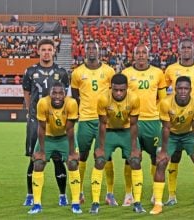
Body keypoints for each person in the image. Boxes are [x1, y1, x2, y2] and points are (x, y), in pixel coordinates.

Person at [150, 76, 194, 215]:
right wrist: (164, 151)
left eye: (186, 88)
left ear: (191, 90)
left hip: (189, 135)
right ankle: (158, 204)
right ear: (175, 89)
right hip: (171, 135)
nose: (183, 91)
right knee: (161, 163)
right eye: (180, 88)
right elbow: (166, 128)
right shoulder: (166, 103)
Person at [22, 38, 70, 207]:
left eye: (49, 49)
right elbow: (27, 92)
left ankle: (62, 195)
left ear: (54, 52)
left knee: (57, 158)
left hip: (55, 121)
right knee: (34, 159)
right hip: (36, 120)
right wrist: (30, 112)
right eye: (43, 50)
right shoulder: (30, 71)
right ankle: (30, 195)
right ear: (38, 51)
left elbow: (65, 94)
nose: (46, 52)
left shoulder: (62, 72)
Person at [89, 74, 146, 214]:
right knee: (100, 160)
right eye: (115, 90)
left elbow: (134, 125)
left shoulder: (134, 98)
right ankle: (95, 203)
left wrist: (134, 148)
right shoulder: (103, 98)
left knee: (135, 161)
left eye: (122, 90)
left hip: (127, 131)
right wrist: (101, 148)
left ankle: (137, 202)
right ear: (111, 88)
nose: (119, 93)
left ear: (127, 87)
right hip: (108, 131)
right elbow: (102, 124)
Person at [164, 38, 194, 205]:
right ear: (179, 50)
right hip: (176, 119)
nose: (186, 50)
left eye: (189, 47)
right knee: (173, 157)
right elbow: (162, 91)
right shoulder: (171, 69)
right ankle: (171, 196)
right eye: (183, 47)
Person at [71, 40, 116, 205]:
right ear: (84, 52)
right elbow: (76, 95)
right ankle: (80, 192)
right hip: (85, 120)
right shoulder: (77, 73)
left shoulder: (109, 71)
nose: (91, 51)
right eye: (88, 48)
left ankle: (110, 193)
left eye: (94, 48)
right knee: (81, 156)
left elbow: (115, 94)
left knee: (107, 157)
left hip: (104, 120)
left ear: (99, 52)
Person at [122, 44, 167, 205]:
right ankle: (129, 194)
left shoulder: (157, 73)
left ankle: (156, 193)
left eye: (143, 53)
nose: (141, 55)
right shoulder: (126, 73)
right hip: (132, 122)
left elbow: (163, 99)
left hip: (153, 122)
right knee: (131, 159)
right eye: (137, 52)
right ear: (133, 55)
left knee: (156, 159)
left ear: (148, 55)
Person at [27, 82, 82, 214]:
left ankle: (75, 203)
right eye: (54, 93)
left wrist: (72, 151)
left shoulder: (72, 103)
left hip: (64, 137)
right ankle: (37, 204)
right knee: (38, 163)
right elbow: (41, 127)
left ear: (65, 94)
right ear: (49, 94)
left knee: (73, 163)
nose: (57, 96)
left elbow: (70, 129)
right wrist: (41, 150)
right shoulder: (42, 103)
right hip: (47, 137)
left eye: (60, 93)